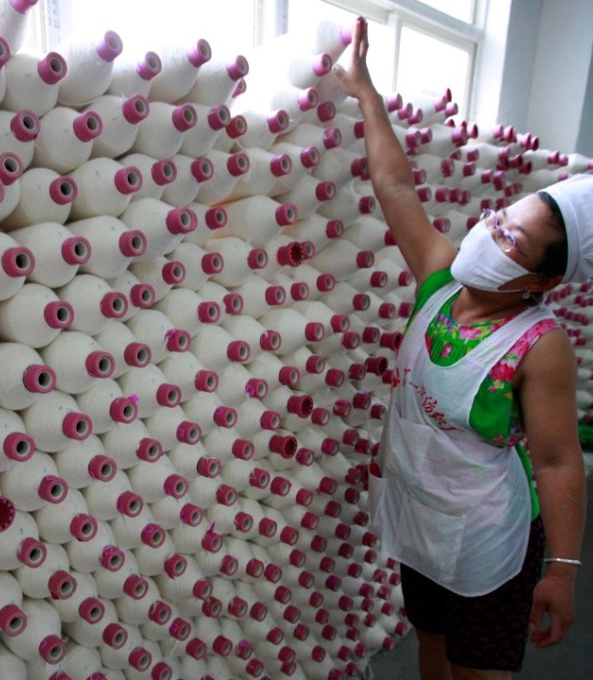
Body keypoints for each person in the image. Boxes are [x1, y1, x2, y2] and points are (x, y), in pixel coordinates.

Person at [333, 16, 589, 680]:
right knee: (433, 645)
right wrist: (365, 93)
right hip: (422, 519)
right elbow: (396, 188)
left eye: (511, 241)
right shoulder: (441, 280)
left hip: (489, 538)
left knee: (480, 671)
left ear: (538, 280)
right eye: (501, 217)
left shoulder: (539, 346)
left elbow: (559, 461)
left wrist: (562, 571)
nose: (489, 231)